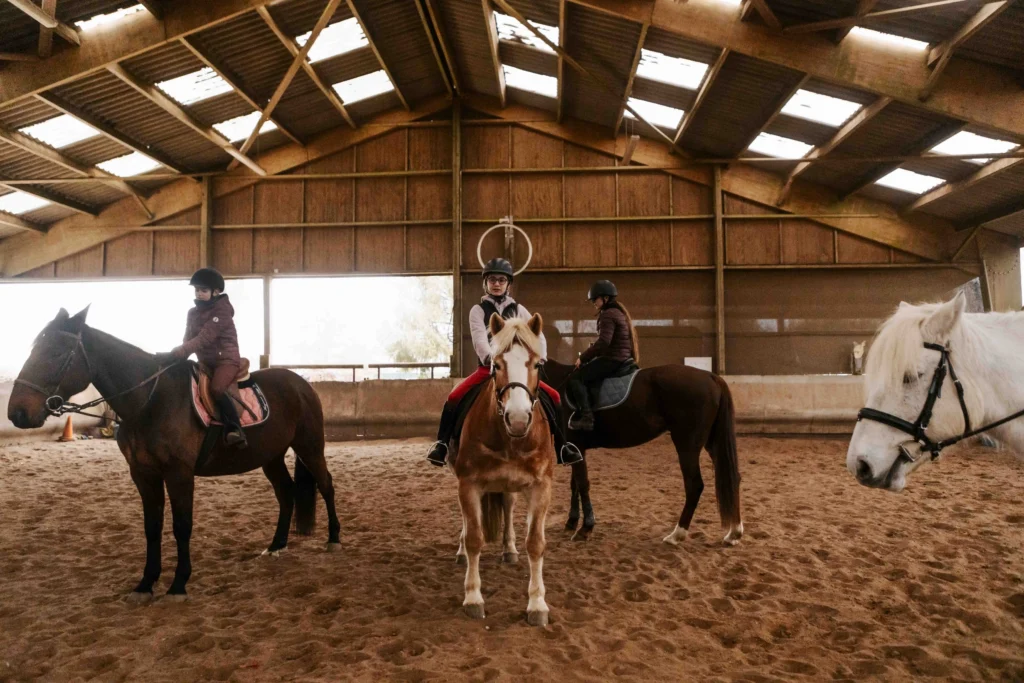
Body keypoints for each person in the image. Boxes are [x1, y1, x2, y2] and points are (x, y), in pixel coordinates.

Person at [426, 258, 582, 466]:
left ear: (508, 283)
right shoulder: (478, 311)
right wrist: (491, 359)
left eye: (501, 280)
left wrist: (540, 357)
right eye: (492, 280)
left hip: (518, 371)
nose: (496, 284)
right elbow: (479, 338)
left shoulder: (520, 309)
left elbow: (539, 336)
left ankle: (562, 446)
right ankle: (442, 444)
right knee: (454, 396)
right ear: (486, 283)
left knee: (553, 396)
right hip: (488, 368)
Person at [157, 268, 247, 448]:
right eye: (197, 290)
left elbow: (204, 338)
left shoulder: (222, 311)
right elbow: (188, 338)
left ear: (215, 292)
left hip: (226, 361)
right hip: (205, 361)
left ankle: (234, 428)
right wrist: (177, 359)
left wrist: (178, 352)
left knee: (217, 389)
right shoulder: (192, 313)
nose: (199, 293)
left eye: (203, 290)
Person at [567, 280, 640, 431]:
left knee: (576, 378)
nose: (593, 302)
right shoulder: (618, 312)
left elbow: (604, 342)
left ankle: (587, 417)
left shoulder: (608, 314)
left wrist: (583, 357)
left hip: (613, 359)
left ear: (605, 299)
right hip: (620, 357)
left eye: (595, 299)